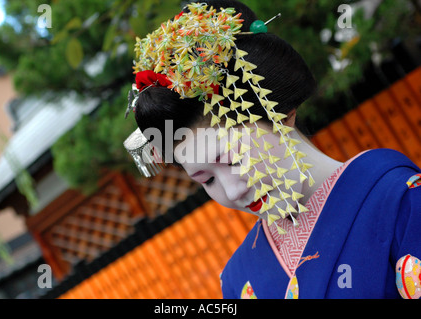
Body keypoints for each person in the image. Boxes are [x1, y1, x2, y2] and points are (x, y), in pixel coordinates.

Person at [124, 0, 421, 299]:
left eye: (230, 159)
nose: (232, 190)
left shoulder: (400, 200)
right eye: (207, 180)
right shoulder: (238, 278)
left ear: (280, 113)